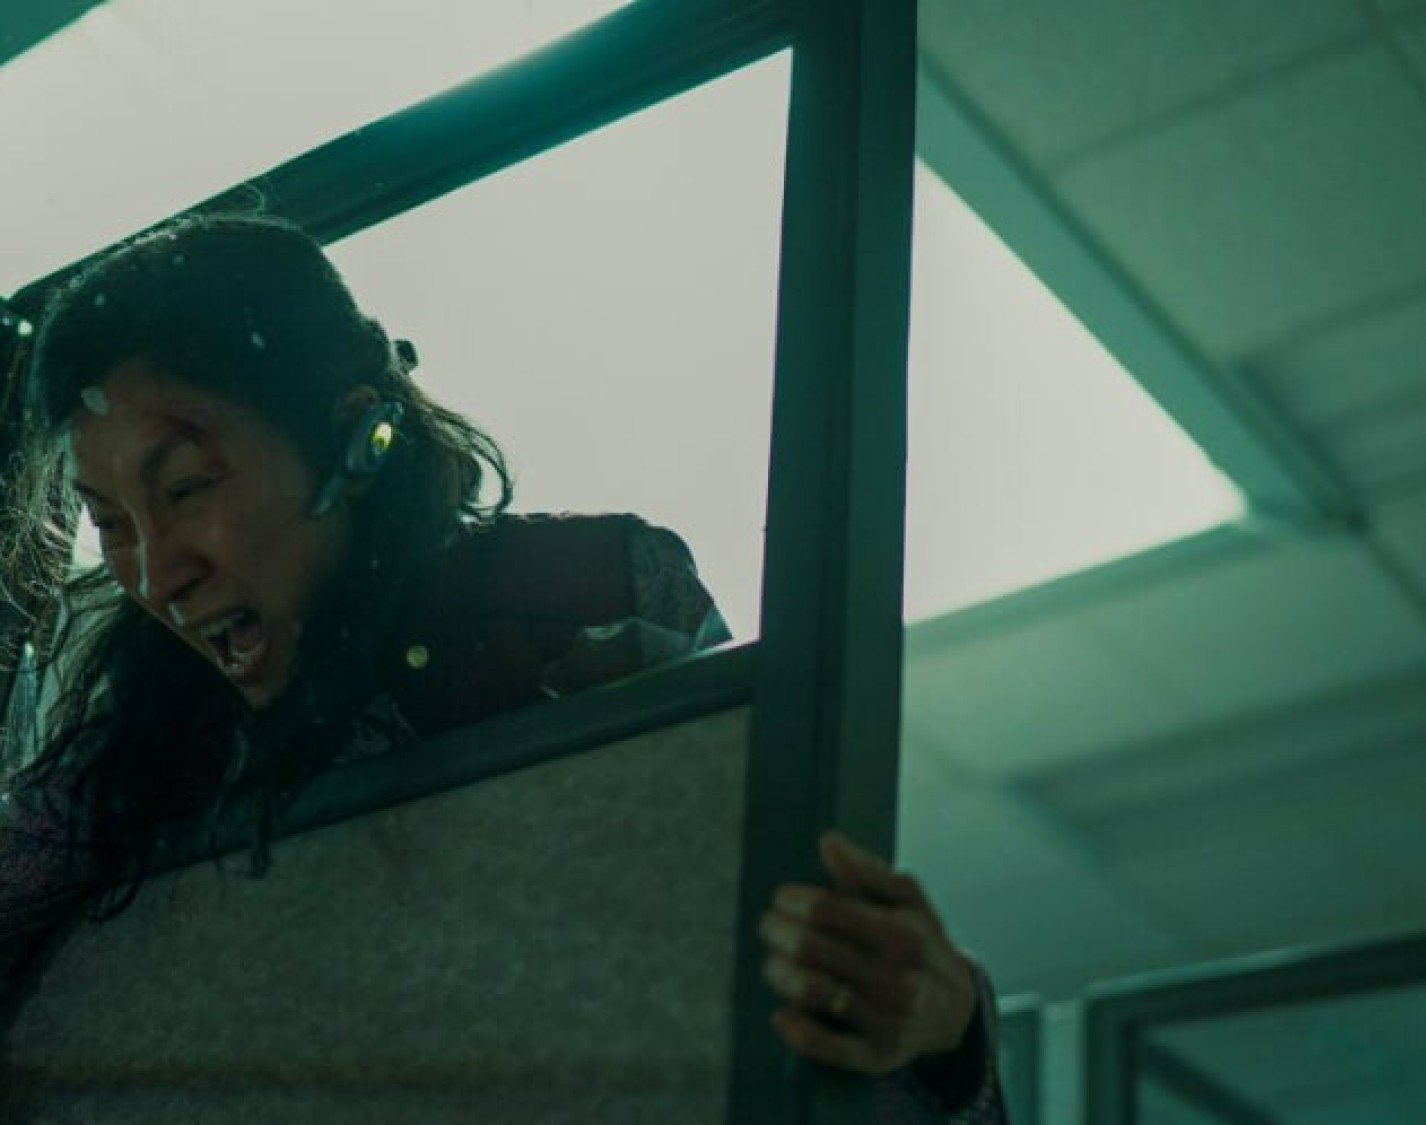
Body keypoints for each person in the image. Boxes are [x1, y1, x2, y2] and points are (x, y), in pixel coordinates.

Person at [0, 214, 1006, 1122]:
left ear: (359, 439)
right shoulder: (132, 748)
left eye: (185, 487)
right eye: (108, 523)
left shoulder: (593, 599)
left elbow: (764, 977)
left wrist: (943, 1035)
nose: (154, 575)